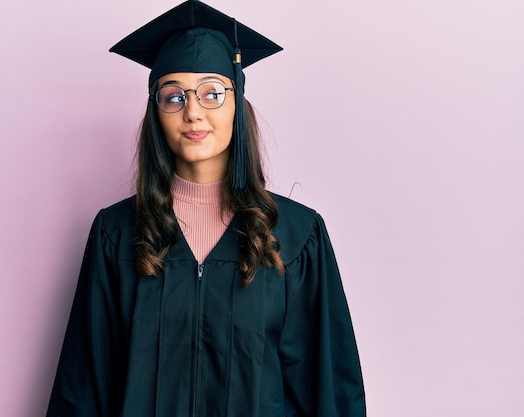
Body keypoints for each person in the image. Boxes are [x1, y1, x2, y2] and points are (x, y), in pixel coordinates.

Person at [46, 1, 366, 416]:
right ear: (155, 112)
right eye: (173, 96)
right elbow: (84, 386)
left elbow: (327, 390)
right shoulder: (117, 233)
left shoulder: (296, 235)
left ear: (238, 103)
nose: (193, 111)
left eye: (212, 92)